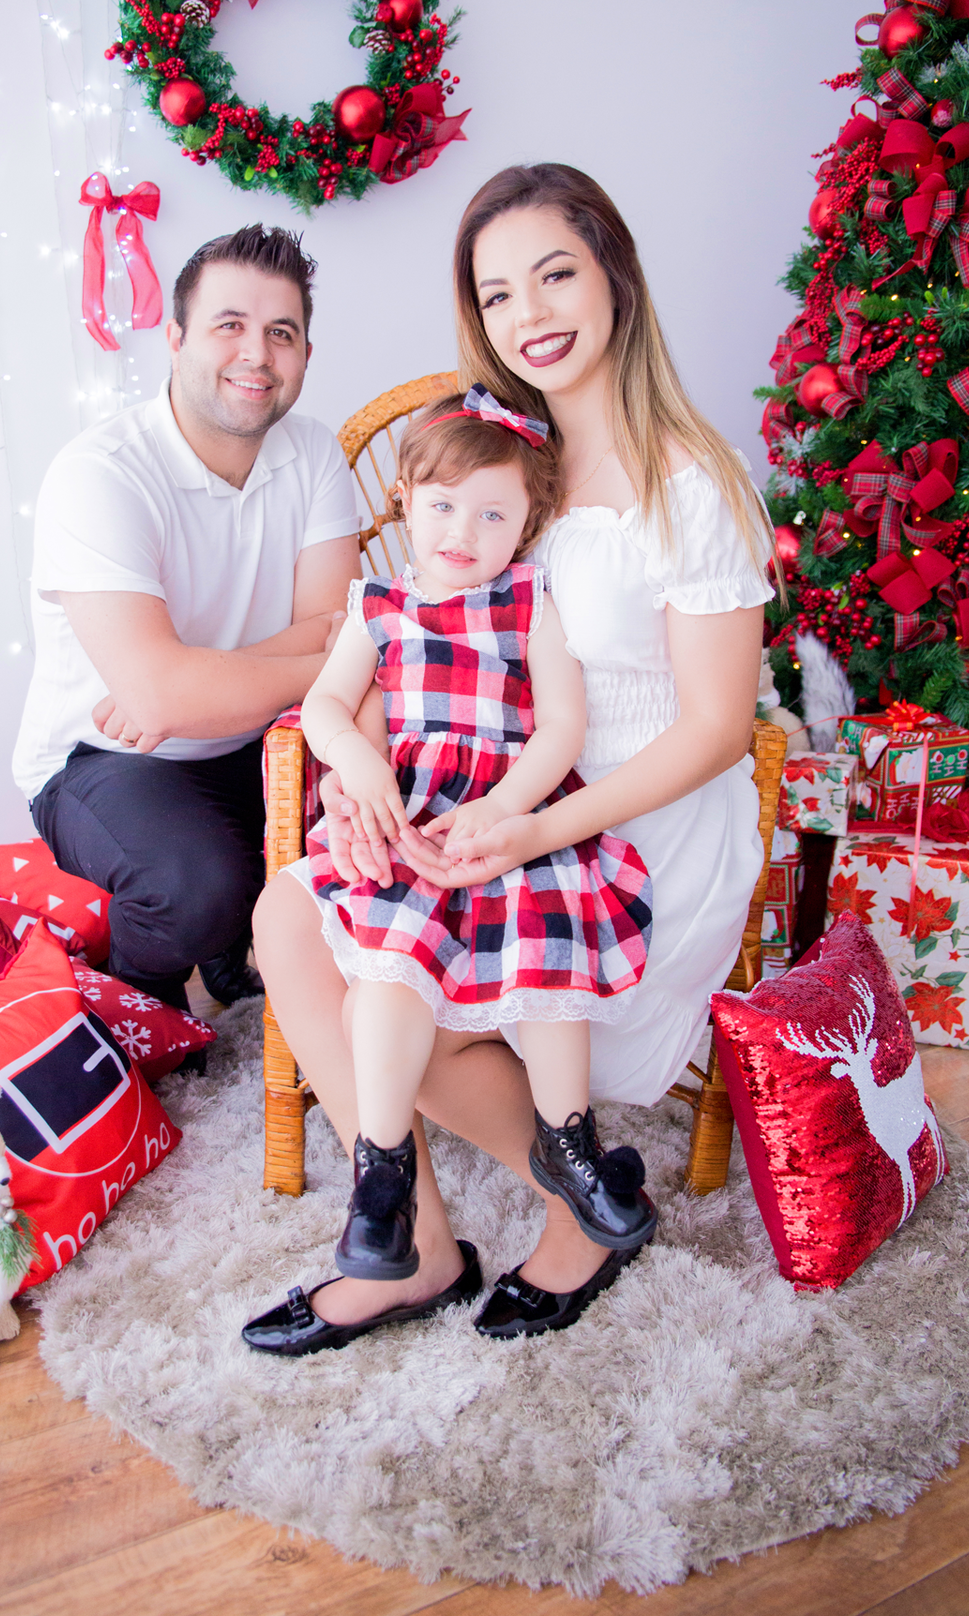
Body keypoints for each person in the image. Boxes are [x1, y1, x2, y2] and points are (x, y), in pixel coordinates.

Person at [245, 164, 773, 1354]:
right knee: (291, 920)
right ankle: (415, 1241)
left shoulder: (693, 485)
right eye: (495, 293)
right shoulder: (504, 477)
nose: (528, 312)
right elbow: (422, 645)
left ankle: (572, 1212)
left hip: (635, 815)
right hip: (492, 791)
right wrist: (366, 781)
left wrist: (538, 828)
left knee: (407, 989)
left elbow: (718, 726)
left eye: (555, 273)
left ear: (615, 279)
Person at [285, 387, 656, 1295]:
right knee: (389, 959)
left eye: (493, 513)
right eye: (442, 505)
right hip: (415, 817)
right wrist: (357, 767)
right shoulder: (375, 606)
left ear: (527, 524)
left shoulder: (531, 597)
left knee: (548, 942)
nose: (463, 530)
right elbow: (329, 706)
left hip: (511, 813)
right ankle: (383, 1178)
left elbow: (561, 726)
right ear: (405, 500)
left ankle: (570, 1148)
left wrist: (510, 810)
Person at [12, 225, 359, 1012]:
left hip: (264, 735)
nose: (257, 355)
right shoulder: (100, 475)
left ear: (306, 352)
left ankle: (232, 945)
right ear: (174, 339)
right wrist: (182, 686)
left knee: (389, 821)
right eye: (229, 326)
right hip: (103, 756)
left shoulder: (312, 454)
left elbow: (331, 627)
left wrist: (190, 680)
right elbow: (168, 701)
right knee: (197, 885)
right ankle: (143, 1002)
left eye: (282, 333)